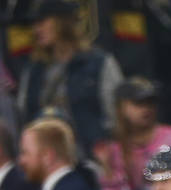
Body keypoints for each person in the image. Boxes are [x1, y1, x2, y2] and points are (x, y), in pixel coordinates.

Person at [16, 0, 124, 157]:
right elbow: (25, 117)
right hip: (49, 161)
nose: (36, 29)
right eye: (34, 24)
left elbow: (116, 116)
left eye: (42, 22)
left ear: (62, 22)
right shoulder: (33, 71)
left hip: (93, 158)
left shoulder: (98, 63)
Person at [95, 77, 171, 190]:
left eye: (150, 102)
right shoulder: (116, 148)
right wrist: (107, 171)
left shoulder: (170, 138)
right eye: (138, 103)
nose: (146, 108)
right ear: (122, 108)